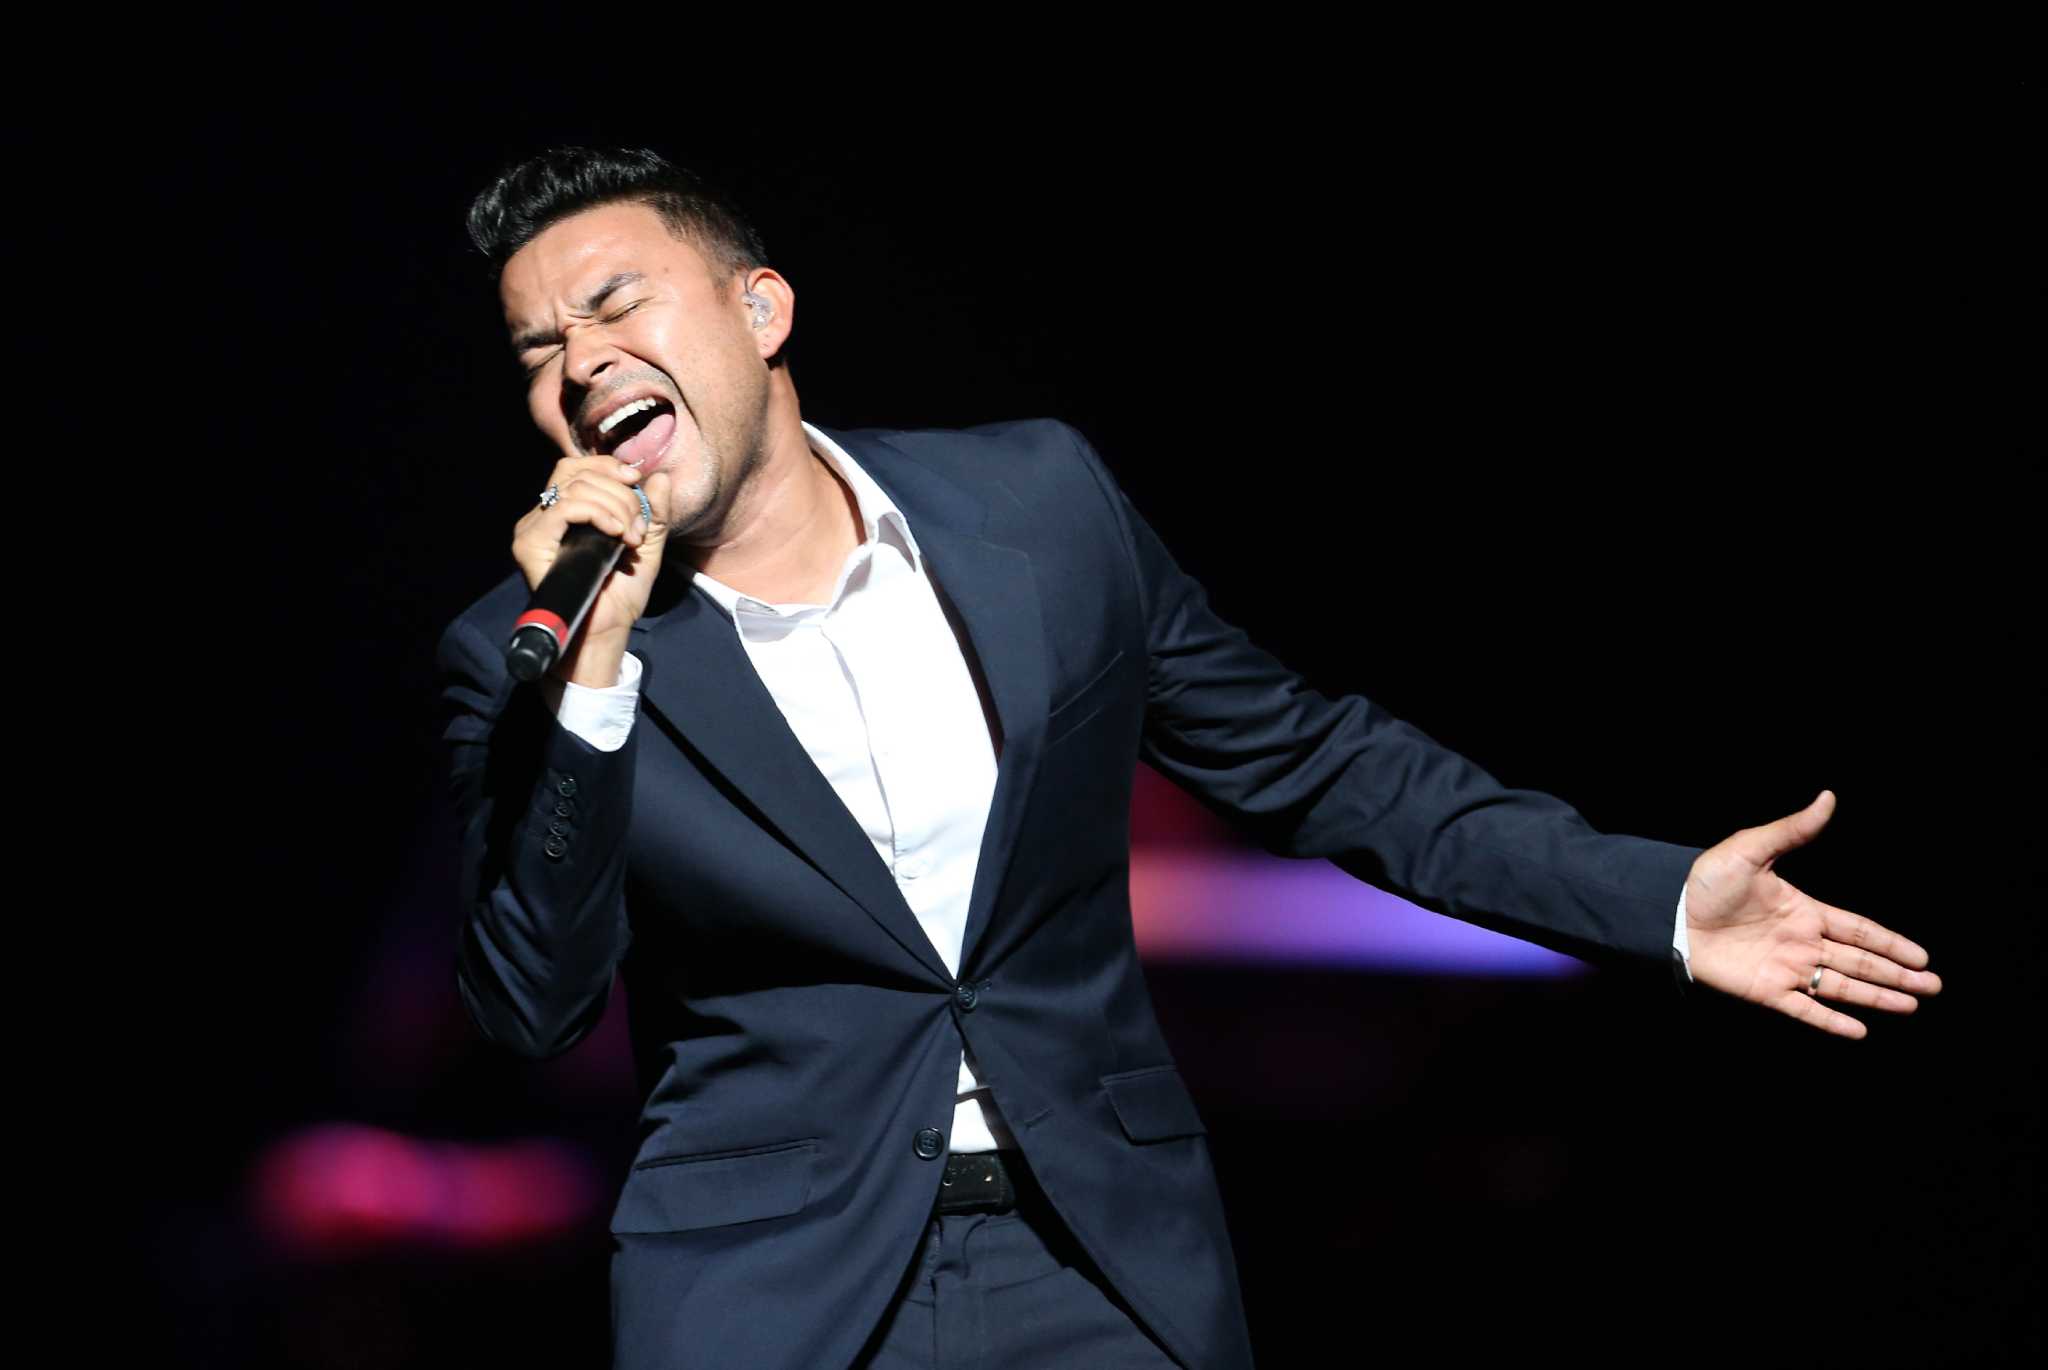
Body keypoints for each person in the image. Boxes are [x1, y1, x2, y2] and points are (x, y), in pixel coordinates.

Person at [436, 147, 1942, 1370]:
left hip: (1099, 1262)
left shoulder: (1037, 503)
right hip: (770, 1296)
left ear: (760, 311)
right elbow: (532, 1005)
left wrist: (1660, 899)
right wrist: (596, 677)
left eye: (617, 304)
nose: (580, 362)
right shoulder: (527, 646)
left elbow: (1314, 760)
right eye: (537, 349)